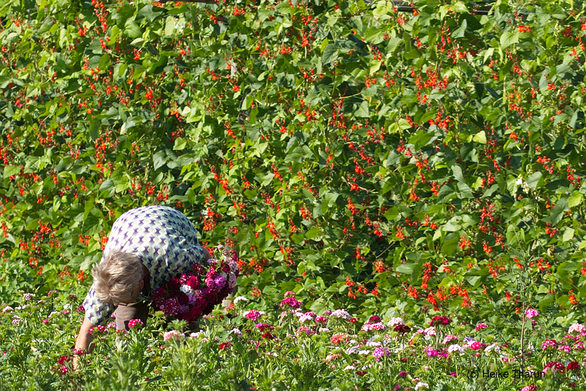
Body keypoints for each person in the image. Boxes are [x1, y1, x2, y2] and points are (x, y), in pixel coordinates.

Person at [73, 205, 210, 367]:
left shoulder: (175, 258)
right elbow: (86, 331)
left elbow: (205, 255)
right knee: (126, 339)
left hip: (172, 223)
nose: (117, 305)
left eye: (124, 299)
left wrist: (205, 293)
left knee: (182, 329)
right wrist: (79, 377)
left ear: (141, 284)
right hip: (127, 226)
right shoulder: (108, 279)